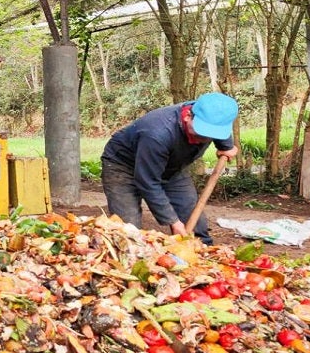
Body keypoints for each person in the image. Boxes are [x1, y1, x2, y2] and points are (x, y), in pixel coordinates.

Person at [101, 92, 239, 244]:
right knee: (128, 231)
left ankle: (203, 256)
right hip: (122, 166)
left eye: (210, 135)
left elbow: (219, 128)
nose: (203, 140)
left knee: (193, 222)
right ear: (188, 116)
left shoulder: (212, 115)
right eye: (201, 133)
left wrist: (226, 147)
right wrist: (173, 221)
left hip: (171, 167)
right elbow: (148, 182)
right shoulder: (157, 133)